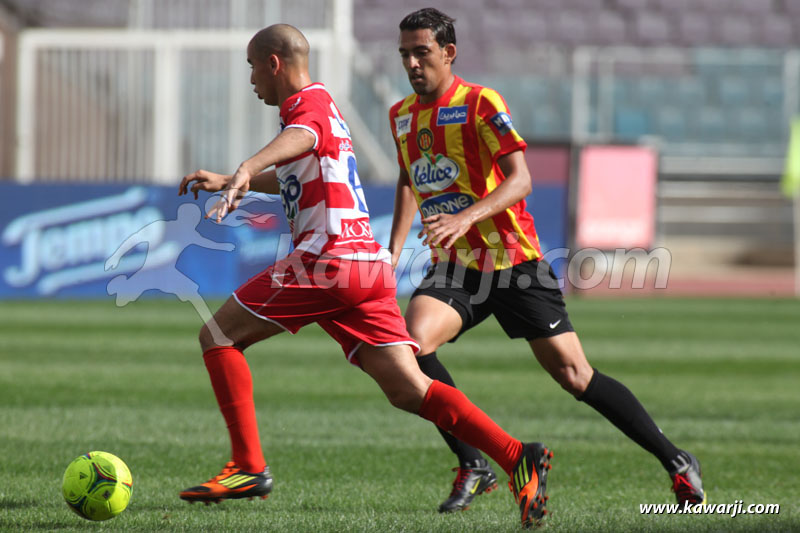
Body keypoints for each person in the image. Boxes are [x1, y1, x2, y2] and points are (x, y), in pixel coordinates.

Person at [177, 23, 552, 528]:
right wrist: (234, 178)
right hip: (366, 267)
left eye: (252, 67)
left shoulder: (307, 106)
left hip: (326, 262)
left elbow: (298, 138)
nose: (250, 80)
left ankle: (247, 466)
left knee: (218, 335)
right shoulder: (323, 108)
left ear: (273, 63)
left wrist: (247, 164)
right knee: (409, 389)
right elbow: (298, 163)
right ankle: (516, 458)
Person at [387, 8, 706, 514]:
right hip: (457, 264)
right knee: (411, 346)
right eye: (404, 53)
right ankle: (475, 464)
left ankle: (676, 460)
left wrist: (466, 217)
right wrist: (391, 249)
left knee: (574, 376)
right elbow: (408, 179)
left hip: (514, 261)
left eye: (420, 52)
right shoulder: (400, 114)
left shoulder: (480, 103)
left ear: (448, 53)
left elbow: (521, 180)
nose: (411, 62)